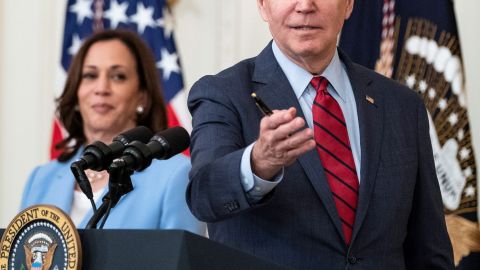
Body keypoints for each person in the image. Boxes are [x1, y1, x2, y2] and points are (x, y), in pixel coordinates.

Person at [187, 0, 454, 269]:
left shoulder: (403, 105)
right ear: (263, 6)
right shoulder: (222, 94)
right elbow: (203, 197)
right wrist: (258, 163)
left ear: (348, 5)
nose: (305, 6)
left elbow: (429, 248)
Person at [21, 29, 205, 234]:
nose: (101, 88)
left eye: (118, 76)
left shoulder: (176, 175)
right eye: (90, 75)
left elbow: (180, 262)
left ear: (142, 97)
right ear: (76, 90)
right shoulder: (41, 178)